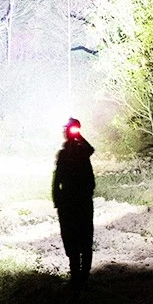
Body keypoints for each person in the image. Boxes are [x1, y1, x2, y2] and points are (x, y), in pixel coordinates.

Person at [52, 117, 95, 288]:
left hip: (77, 202)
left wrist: (78, 135)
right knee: (73, 239)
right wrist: (58, 201)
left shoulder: (81, 151)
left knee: (82, 239)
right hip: (72, 202)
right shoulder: (65, 153)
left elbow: (91, 149)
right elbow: (57, 179)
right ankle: (77, 276)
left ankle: (81, 277)